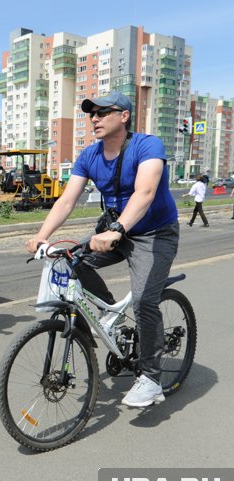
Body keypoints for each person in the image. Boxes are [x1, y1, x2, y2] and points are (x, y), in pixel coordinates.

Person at [24, 90, 179, 408]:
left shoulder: (147, 145)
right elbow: (67, 200)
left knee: (145, 301)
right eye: (91, 113)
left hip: (154, 233)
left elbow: (145, 191)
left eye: (102, 112)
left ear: (123, 116)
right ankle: (112, 318)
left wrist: (118, 229)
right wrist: (42, 236)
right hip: (114, 230)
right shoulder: (89, 156)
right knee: (69, 260)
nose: (94, 118)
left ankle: (151, 378)